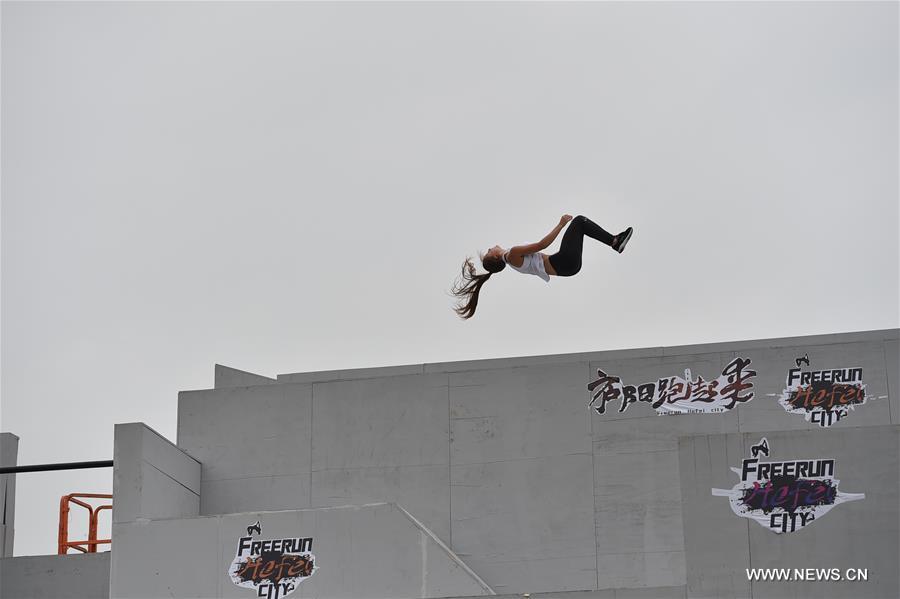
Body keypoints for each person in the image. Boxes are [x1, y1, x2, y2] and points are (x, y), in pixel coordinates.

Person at [451, 214, 633, 319]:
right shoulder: (512, 254)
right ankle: (614, 241)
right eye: (489, 251)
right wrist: (561, 224)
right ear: (495, 256)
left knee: (580, 224)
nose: (490, 248)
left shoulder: (512, 258)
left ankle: (614, 241)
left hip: (567, 267)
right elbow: (541, 245)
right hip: (564, 262)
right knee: (579, 222)